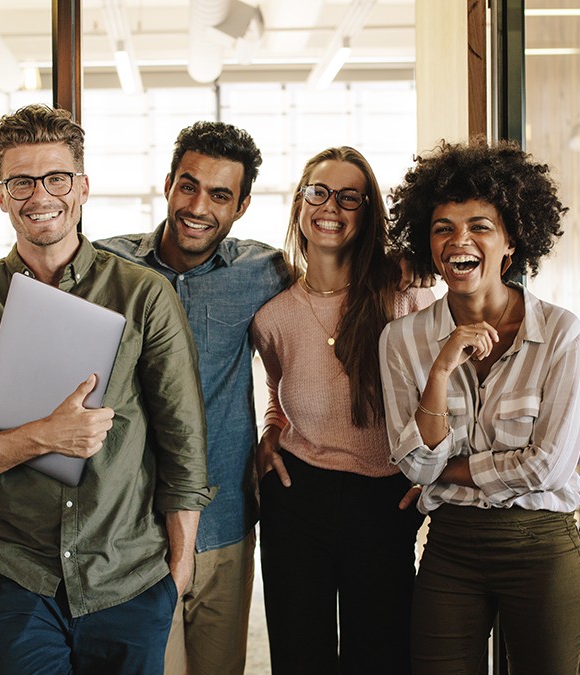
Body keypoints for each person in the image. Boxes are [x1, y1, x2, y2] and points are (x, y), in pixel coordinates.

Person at [0, 104, 213, 675]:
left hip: (129, 576)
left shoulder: (144, 295)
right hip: (20, 578)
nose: (39, 195)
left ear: (82, 187)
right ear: (1, 195)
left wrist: (177, 574)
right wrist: (42, 437)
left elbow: (184, 445)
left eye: (56, 178)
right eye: (21, 181)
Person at [380, 139, 580, 675]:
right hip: (450, 548)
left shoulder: (560, 332)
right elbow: (413, 467)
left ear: (511, 241)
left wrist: (446, 469)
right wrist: (440, 369)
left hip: (543, 546)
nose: (460, 241)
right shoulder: (401, 340)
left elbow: (548, 467)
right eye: (443, 228)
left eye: (480, 226)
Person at [96, 121, 290, 675]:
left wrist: (279, 422)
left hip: (224, 519)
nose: (198, 207)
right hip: (131, 529)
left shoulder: (265, 272)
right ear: (168, 185)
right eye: (188, 186)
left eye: (220, 195)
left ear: (242, 206)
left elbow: (326, 312)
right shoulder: (107, 268)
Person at [250, 146, 433, 674]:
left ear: (367, 212)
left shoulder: (404, 296)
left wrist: (434, 471)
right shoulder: (272, 317)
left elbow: (442, 393)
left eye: (350, 197)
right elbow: (278, 389)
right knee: (299, 656)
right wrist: (270, 432)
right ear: (300, 204)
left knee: (381, 656)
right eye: (319, 192)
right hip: (297, 495)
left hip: (384, 497)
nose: (331, 206)